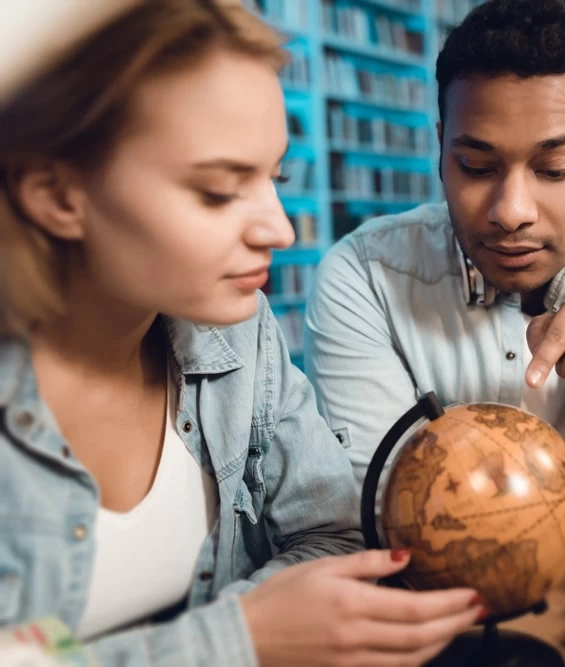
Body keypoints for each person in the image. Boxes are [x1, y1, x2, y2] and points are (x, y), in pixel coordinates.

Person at [0, 2, 484, 665]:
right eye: (220, 192)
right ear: (55, 193)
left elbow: (333, 533)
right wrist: (241, 637)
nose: (280, 231)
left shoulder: (244, 332)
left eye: (275, 177)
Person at [305, 0, 565, 530]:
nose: (511, 213)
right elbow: (382, 512)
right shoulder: (361, 278)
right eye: (476, 167)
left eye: (555, 169)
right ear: (440, 150)